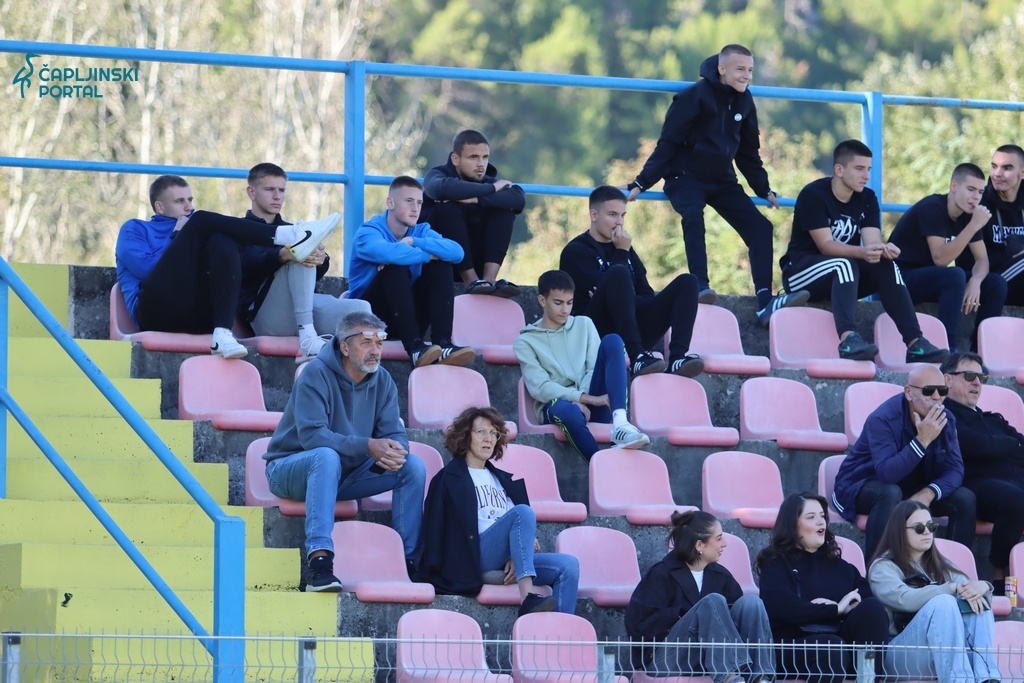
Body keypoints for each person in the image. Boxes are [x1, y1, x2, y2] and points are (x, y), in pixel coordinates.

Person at [623, 44, 806, 325]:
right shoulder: (692, 97)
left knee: (761, 227)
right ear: (722, 69)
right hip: (684, 177)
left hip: (722, 180)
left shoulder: (745, 101)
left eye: (750, 70)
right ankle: (700, 285)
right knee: (693, 215)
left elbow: (748, 152)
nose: (746, 76)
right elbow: (668, 144)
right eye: (740, 69)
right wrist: (641, 182)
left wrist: (763, 188)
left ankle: (764, 300)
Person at [263, 310, 426, 592]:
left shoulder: (383, 380)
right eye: (366, 342)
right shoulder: (315, 374)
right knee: (326, 456)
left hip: (342, 475)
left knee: (412, 467)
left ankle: (407, 563)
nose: (375, 350)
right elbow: (313, 437)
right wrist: (368, 445)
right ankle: (320, 564)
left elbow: (394, 433)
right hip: (289, 469)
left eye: (379, 343)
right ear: (345, 347)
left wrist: (396, 450)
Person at [115, 174, 340, 358]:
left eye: (190, 200)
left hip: (199, 318)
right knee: (202, 220)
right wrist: (177, 237)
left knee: (222, 240)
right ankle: (290, 235)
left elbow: (230, 267)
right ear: (160, 207)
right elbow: (147, 270)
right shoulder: (135, 228)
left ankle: (222, 333)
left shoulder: (196, 231)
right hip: (155, 314)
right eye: (179, 201)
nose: (188, 207)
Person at [780, 140, 949, 363]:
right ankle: (848, 339)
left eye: (868, 169)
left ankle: (915, 343)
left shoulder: (867, 198)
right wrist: (863, 252)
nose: (866, 176)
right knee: (844, 263)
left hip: (842, 277)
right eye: (859, 169)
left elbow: (872, 243)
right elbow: (826, 246)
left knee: (884, 264)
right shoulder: (813, 195)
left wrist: (884, 249)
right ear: (839, 170)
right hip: (800, 274)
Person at [419, 405, 580, 616]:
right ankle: (527, 597)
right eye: (481, 432)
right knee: (523, 512)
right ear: (465, 436)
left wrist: (515, 553)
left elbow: (520, 532)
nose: (488, 439)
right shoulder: (447, 479)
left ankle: (558, 633)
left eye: (494, 433)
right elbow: (435, 532)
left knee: (568, 566)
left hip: (505, 559)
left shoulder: (502, 479)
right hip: (473, 556)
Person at [559, 185, 704, 378]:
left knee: (688, 282)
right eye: (612, 215)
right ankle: (637, 358)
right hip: (596, 332)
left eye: (622, 215)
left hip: (633, 327)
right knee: (619, 273)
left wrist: (623, 295)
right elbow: (608, 298)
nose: (619, 223)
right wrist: (620, 256)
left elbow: (645, 293)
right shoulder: (576, 251)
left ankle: (677, 358)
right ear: (594, 215)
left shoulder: (626, 248)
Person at [832, 364, 976, 558]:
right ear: (909, 392)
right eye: (928, 391)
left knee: (965, 498)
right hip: (861, 484)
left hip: (911, 487)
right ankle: (876, 569)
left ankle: (953, 568)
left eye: (942, 391)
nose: (937, 397)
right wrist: (923, 440)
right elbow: (887, 474)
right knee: (890, 493)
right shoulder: (883, 418)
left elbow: (955, 469)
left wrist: (928, 493)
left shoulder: (945, 418)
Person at [239, 162, 372, 364]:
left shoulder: (293, 230)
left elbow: (306, 278)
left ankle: (356, 373)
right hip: (265, 318)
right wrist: (282, 256)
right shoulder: (239, 229)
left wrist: (321, 260)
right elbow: (247, 266)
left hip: (303, 311)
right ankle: (308, 338)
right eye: (270, 189)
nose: (277, 196)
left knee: (361, 309)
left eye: (282, 190)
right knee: (300, 249)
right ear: (252, 192)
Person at [513, 270, 650, 462]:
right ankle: (601, 467)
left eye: (569, 303)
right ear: (542, 300)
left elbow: (593, 368)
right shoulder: (525, 342)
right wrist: (581, 399)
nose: (565, 310)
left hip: (592, 401)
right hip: (557, 404)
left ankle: (621, 424)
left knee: (613, 340)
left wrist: (584, 399)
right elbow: (540, 388)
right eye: (558, 303)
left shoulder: (584, 324)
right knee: (569, 413)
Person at [626, 510, 775, 683]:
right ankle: (730, 678)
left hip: (706, 660)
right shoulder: (661, 574)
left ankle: (761, 678)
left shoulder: (722, 576)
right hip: (666, 660)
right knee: (712, 602)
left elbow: (736, 626)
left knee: (752, 603)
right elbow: (638, 627)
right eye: (719, 538)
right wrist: (684, 616)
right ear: (699, 546)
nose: (724, 544)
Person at [755, 493, 889, 683]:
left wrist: (839, 608)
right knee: (830, 646)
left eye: (822, 516)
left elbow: (863, 597)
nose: (821, 522)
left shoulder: (840, 566)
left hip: (838, 643)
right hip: (792, 647)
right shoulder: (776, 565)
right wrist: (835, 609)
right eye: (811, 517)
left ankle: (868, 679)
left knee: (872, 609)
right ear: (792, 525)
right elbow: (784, 608)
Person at [347, 176, 475, 368]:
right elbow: (390, 254)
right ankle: (415, 347)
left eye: (419, 202)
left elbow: (457, 253)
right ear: (390, 202)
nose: (416, 209)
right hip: (367, 321)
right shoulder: (368, 232)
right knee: (394, 268)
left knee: (442, 266)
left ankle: (443, 344)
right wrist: (428, 255)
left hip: (405, 316)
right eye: (409, 201)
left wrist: (413, 242)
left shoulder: (420, 232)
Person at [868, 500, 999, 683]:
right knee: (944, 602)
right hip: (898, 654)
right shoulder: (882, 567)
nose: (927, 532)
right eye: (919, 527)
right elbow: (904, 599)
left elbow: (966, 588)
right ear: (899, 531)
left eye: (931, 526)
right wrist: (948, 589)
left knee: (978, 603)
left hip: (937, 650)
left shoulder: (939, 564)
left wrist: (984, 586)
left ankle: (987, 677)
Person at [888, 163, 1005, 351]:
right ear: (954, 186)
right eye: (971, 189)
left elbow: (982, 260)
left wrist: (975, 281)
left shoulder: (968, 215)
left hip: (931, 279)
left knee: (996, 284)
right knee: (954, 274)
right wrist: (973, 226)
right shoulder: (932, 208)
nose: (976, 197)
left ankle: (978, 352)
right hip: (899, 280)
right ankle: (949, 349)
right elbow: (940, 259)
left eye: (981, 192)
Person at [941, 351, 1024, 584]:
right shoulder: (944, 415)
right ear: (947, 380)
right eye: (969, 376)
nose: (977, 382)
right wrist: (1011, 443)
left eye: (981, 377)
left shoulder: (994, 419)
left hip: (1014, 482)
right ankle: (998, 573)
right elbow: (976, 445)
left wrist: (1002, 445)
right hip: (978, 486)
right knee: (1017, 501)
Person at [422, 129, 526, 297]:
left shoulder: (486, 180)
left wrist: (475, 199)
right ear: (455, 159)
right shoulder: (438, 175)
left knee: (503, 212)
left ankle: (489, 280)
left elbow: (518, 198)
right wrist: (491, 189)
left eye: (485, 157)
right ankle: (471, 281)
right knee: (447, 208)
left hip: (477, 258)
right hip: (440, 261)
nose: (481, 164)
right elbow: (439, 189)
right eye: (473, 157)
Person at [959, 144, 1024, 305]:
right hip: (989, 281)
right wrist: (1013, 258)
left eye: (1007, 168)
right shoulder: (978, 203)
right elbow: (967, 260)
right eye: (994, 166)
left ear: (1022, 173)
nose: (997, 174)